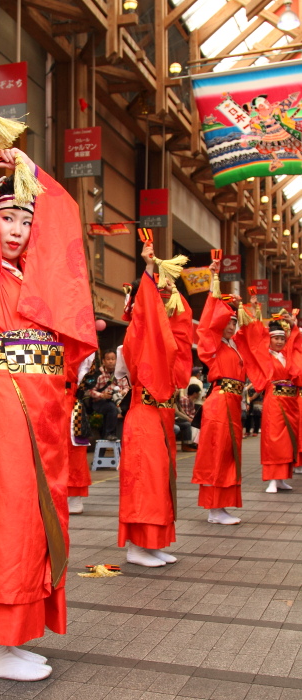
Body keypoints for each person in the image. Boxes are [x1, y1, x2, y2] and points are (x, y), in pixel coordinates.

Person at [0, 80, 96, 682]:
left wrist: (31, 168)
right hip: (6, 408)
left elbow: (65, 228)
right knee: (9, 517)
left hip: (40, 412)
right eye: (6, 215)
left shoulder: (38, 287)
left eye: (25, 217)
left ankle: (11, 638)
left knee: (35, 519)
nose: (16, 228)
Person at [118, 242, 192, 568]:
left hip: (160, 416)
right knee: (144, 480)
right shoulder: (136, 334)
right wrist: (149, 269)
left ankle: (155, 542)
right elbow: (148, 316)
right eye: (157, 297)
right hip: (143, 414)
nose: (163, 303)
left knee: (161, 480)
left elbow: (179, 335)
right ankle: (136, 547)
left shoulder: (160, 336)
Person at [192, 260, 246, 526]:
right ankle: (214, 509)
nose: (231, 325)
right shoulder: (213, 345)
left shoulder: (234, 346)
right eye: (227, 321)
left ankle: (222, 505)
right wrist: (214, 279)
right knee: (217, 452)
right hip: (219, 403)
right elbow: (207, 325)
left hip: (233, 404)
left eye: (234, 322)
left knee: (228, 453)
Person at [236, 312, 300, 493]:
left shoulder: (287, 356)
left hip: (291, 403)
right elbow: (255, 344)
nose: (280, 342)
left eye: (282, 338)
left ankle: (281, 478)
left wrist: (293, 325)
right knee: (274, 440)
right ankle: (272, 479)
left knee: (288, 440)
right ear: (270, 340)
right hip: (275, 402)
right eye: (276, 338)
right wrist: (255, 312)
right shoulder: (266, 356)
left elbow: (297, 345)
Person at [67, 353, 95, 515]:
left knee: (75, 448)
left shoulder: (81, 345)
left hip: (70, 399)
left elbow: (89, 376)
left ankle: (74, 496)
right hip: (46, 396)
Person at [89, 349, 129, 440]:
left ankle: (124, 438)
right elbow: (90, 391)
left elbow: (127, 387)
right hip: (100, 403)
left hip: (117, 401)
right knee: (111, 408)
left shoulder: (121, 374)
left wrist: (122, 392)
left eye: (113, 359)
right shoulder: (98, 374)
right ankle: (109, 434)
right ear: (103, 361)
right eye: (108, 359)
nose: (111, 361)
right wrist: (102, 395)